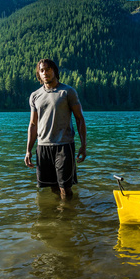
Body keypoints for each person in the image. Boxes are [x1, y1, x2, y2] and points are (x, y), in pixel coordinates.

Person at [24, 58, 86, 198]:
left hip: (64, 146)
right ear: (38, 74)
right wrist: (28, 150)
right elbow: (33, 124)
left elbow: (79, 118)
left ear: (54, 71)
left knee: (65, 188)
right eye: (42, 70)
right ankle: (58, 217)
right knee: (52, 187)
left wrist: (83, 145)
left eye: (48, 69)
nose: (45, 72)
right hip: (43, 147)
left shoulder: (67, 91)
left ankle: (67, 217)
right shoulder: (35, 96)